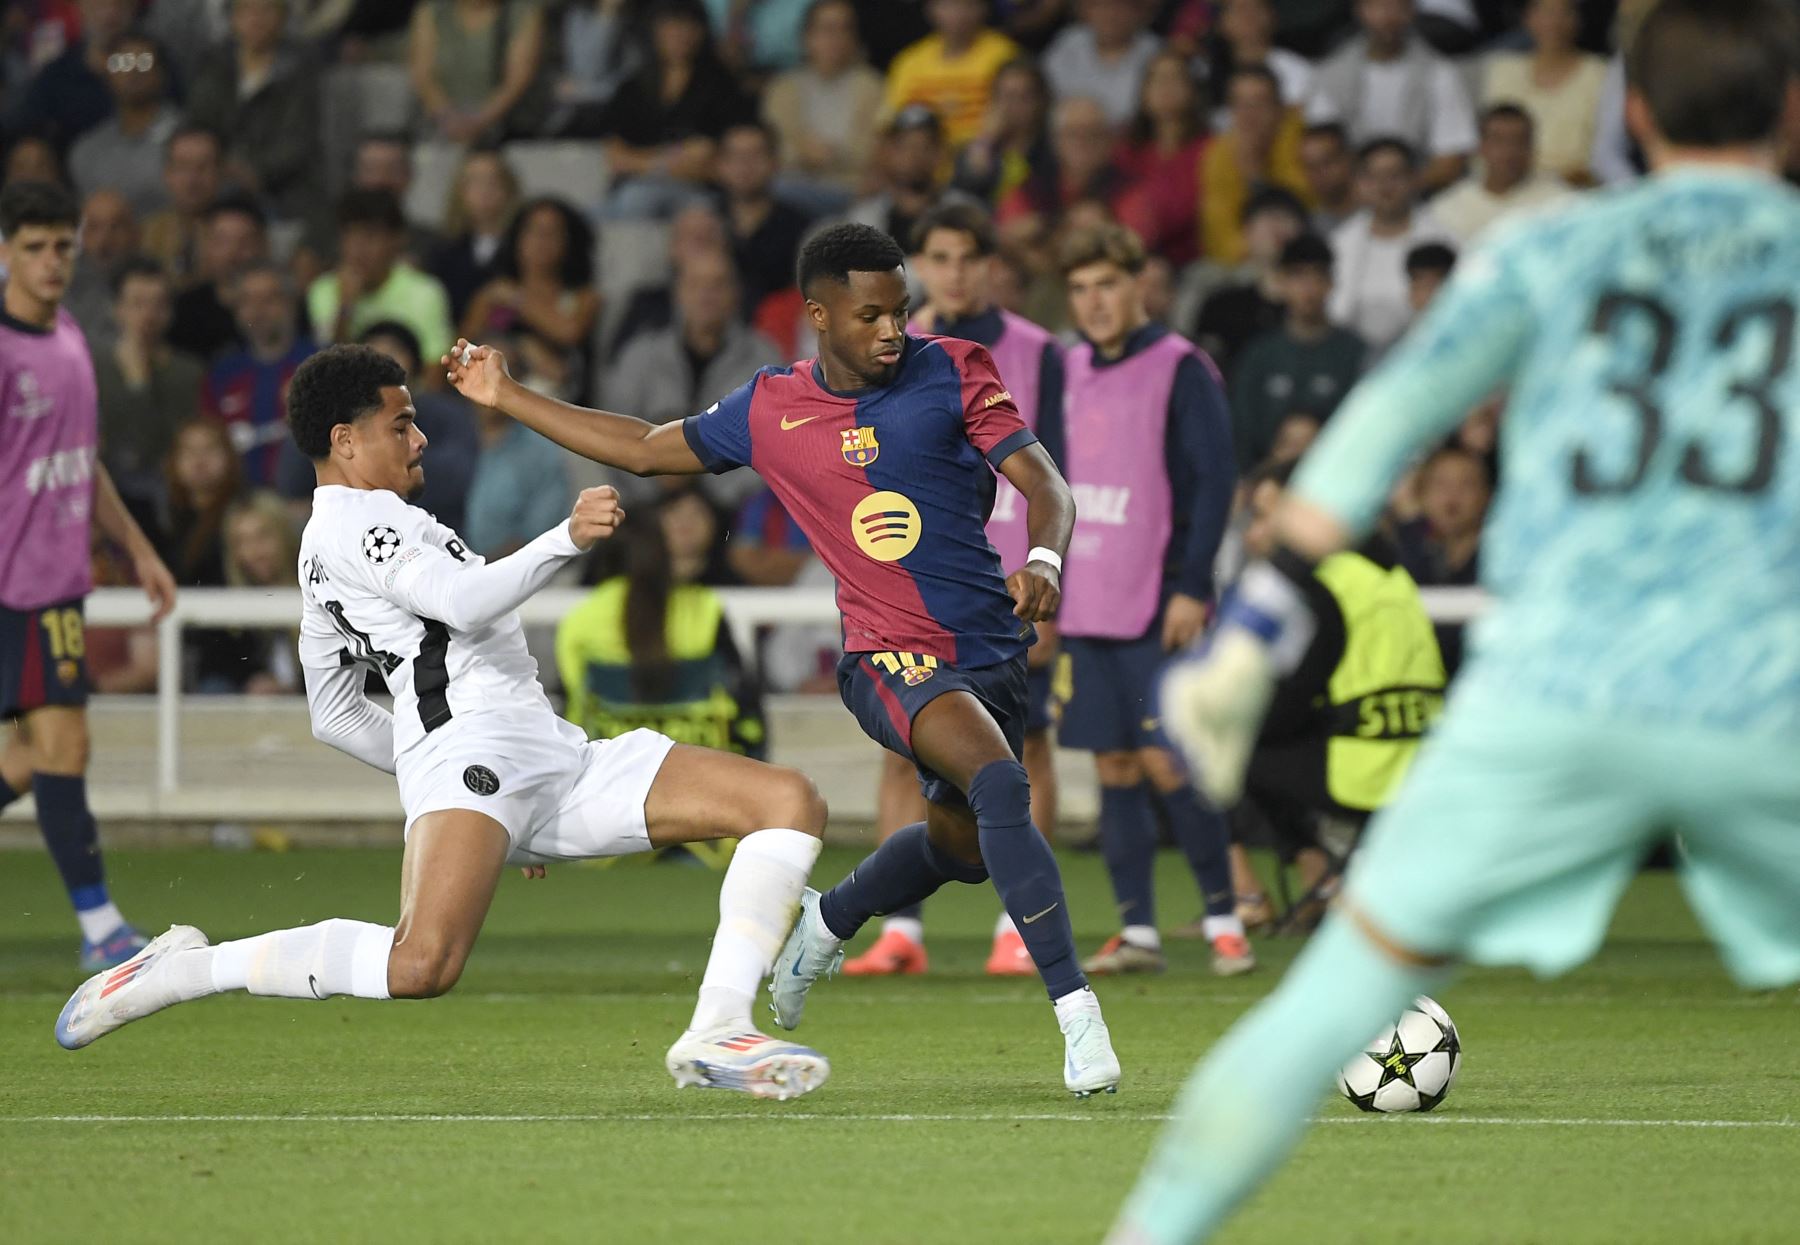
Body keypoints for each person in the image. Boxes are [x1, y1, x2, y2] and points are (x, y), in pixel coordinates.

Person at [1116, 4, 1800, 1239]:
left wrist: (1251, 632)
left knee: (1329, 1002)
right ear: (1793, 113)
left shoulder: (1549, 252)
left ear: (1633, 117)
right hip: (1768, 696)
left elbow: (1383, 423)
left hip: (1554, 693)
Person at [442, 221, 1123, 1097]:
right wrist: (510, 395)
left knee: (962, 845)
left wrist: (1044, 558)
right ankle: (1077, 1014)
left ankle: (828, 917)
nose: (892, 331)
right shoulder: (772, 407)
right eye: (871, 315)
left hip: (992, 650)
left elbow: (1048, 486)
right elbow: (648, 449)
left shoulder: (955, 366)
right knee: (1000, 784)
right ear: (818, 317)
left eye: (901, 311)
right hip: (886, 657)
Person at [56, 345, 836, 1106]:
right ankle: (186, 969)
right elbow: (462, 605)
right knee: (420, 963)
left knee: (786, 800)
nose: (420, 437)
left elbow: (333, 713)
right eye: (401, 424)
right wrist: (564, 537)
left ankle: (718, 1029)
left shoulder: (352, 537)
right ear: (345, 440)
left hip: (541, 754)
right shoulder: (360, 527)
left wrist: (481, 811)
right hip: (476, 751)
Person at [844, 199, 1065, 978]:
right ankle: (900, 929)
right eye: (940, 257)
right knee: (905, 749)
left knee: (1025, 746)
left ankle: (1016, 921)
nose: (956, 272)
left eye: (970, 257)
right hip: (914, 581)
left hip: (1016, 579)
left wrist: (1050, 560)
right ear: (922, 267)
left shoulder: (1038, 351)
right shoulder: (889, 350)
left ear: (990, 265)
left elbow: (1054, 469)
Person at [1050, 223, 1248, 978]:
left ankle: (1226, 918)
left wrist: (1193, 585)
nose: (1093, 302)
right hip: (1090, 598)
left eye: (1105, 284)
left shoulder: (1181, 366)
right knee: (1114, 768)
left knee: (1171, 761)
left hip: (1161, 597)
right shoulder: (1067, 370)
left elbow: (1213, 481)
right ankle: (1139, 931)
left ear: (1139, 284)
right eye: (1078, 289)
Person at [0, 180, 178, 971]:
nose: (50, 262)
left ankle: (102, 925)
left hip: (54, 585)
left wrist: (138, 549)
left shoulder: (70, 335)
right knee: (60, 749)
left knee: (28, 760)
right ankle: (103, 929)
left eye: (61, 247)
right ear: (5, 250)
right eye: (33, 247)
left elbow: (82, 464)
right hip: (12, 589)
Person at [1223, 458, 1446, 931]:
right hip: (1419, 758)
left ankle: (1252, 895)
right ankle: (1323, 875)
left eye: (1265, 516)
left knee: (1211, 746)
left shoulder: (1323, 583)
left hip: (1359, 766)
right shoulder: (1387, 570)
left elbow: (1296, 701)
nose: (1253, 533)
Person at [558, 486, 766, 758]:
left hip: (607, 771)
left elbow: (571, 706)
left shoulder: (582, 617)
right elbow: (745, 712)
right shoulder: (704, 609)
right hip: (701, 774)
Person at [602, 246, 782, 507]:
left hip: (730, 513)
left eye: (718, 284)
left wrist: (711, 498)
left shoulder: (764, 360)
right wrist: (653, 500)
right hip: (643, 511)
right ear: (678, 292)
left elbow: (774, 446)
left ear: (737, 293)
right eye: (695, 284)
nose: (706, 295)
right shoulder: (639, 356)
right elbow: (611, 436)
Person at [596, 0, 750, 219]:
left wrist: (639, 160)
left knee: (638, 201)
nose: (679, 33)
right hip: (633, 187)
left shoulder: (722, 86)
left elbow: (708, 159)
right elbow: (617, 157)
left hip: (700, 192)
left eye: (688, 25)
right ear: (654, 29)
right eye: (670, 25)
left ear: (702, 31)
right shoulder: (631, 88)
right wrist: (674, 155)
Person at [1311, 0, 1477, 194]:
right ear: (1359, 10)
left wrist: (1394, 191)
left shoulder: (1440, 73)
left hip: (1423, 198)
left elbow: (1451, 159)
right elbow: (1321, 153)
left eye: (1398, 7)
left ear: (1412, 12)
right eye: (1377, 6)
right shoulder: (1330, 75)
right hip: (1350, 198)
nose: (1387, 17)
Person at [1230, 234, 1366, 470]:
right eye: (1298, 276)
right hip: (1263, 483)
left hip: (1335, 479)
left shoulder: (1354, 353)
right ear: (1281, 282)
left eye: (1318, 276)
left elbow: (1362, 430)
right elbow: (1241, 433)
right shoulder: (1258, 355)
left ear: (1332, 283)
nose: (1308, 288)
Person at [185, 0, 325, 229]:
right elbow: (200, 122)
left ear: (282, 18)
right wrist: (219, 165)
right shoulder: (214, 62)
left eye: (266, 10)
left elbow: (299, 138)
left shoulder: (302, 66)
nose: (256, 19)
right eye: (246, 10)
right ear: (232, 19)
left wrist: (255, 172)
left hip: (285, 188)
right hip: (219, 176)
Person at [460, 197, 599, 399]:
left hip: (562, 399)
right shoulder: (492, 294)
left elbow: (569, 332)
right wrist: (524, 347)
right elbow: (465, 346)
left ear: (569, 242)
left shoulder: (583, 296)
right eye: (533, 231)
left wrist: (516, 299)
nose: (541, 241)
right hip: (494, 397)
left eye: (552, 233)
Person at [94, 259, 207, 505]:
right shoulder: (94, 368)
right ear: (117, 308)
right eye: (137, 304)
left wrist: (139, 384)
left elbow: (158, 450)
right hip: (106, 490)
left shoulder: (188, 372)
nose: (148, 315)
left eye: (158, 304)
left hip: (167, 491)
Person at [1327, 138, 1452, 354]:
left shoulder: (1445, 240)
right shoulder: (1338, 244)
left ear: (1415, 178)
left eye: (1395, 175)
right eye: (1374, 177)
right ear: (1359, 183)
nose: (1385, 186)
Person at [203, 260, 317, 488]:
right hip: (237, 501)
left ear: (291, 305)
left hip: (308, 500)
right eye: (247, 301)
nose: (258, 310)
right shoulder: (222, 373)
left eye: (269, 299)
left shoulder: (319, 364)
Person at [308, 189, 456, 366]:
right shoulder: (323, 290)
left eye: (370, 236)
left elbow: (435, 373)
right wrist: (345, 308)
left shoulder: (426, 292)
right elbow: (327, 371)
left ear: (396, 240)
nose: (358, 250)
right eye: (350, 236)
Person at [762, 0, 885, 205]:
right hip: (794, 185)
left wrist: (832, 155)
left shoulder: (872, 86)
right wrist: (803, 152)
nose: (836, 38)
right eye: (827, 29)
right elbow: (773, 148)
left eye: (845, 29)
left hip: (852, 191)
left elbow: (877, 149)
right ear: (807, 36)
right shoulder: (783, 88)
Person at [1482, 0, 1608, 186]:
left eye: (1566, 12)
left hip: (1573, 190)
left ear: (1580, 19)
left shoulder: (1601, 74)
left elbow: (1604, 154)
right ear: (1526, 18)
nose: (1554, 22)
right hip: (1507, 186)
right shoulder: (1502, 69)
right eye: (1545, 11)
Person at [1199, 65, 1312, 265]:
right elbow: (1218, 234)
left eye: (1259, 103)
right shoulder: (1220, 154)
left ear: (1280, 108)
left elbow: (1306, 209)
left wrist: (1256, 177)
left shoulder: (1303, 139)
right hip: (1247, 266)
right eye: (1240, 105)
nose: (1249, 115)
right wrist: (1249, 253)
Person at [1189, 187, 1308, 375]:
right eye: (1268, 216)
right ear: (1246, 232)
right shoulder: (1220, 307)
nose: (1277, 226)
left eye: (1286, 216)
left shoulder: (1314, 306)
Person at [66, 30, 180, 219]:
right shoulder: (87, 150)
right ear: (109, 74)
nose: (133, 71)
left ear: (161, 74)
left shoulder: (185, 139)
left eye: (143, 63)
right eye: (122, 63)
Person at [883, 0, 1020, 154]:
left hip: (987, 160)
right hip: (921, 166)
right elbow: (891, 127)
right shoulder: (908, 63)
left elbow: (1017, 119)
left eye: (968, 4)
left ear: (984, 8)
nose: (958, 14)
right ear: (930, 9)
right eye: (949, 4)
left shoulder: (1005, 57)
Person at [1113, 49, 1207, 268]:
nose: (1166, 87)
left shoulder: (1209, 149)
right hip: (1130, 255)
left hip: (1190, 260)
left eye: (1175, 78)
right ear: (1143, 92)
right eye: (1157, 79)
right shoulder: (1126, 149)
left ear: (1192, 90)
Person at [408, 0, 546, 145]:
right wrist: (446, 116)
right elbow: (422, 73)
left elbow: (519, 77)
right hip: (441, 123)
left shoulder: (522, 12)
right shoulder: (432, 11)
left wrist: (479, 121)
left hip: (504, 125)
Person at [1431, 104, 1572, 247]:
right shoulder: (1448, 210)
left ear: (1532, 147)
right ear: (1481, 147)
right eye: (1499, 141)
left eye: (1519, 141)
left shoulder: (1562, 203)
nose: (1510, 151)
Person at [713, 122, 815, 319]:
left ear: (775, 162)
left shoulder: (800, 227)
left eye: (755, 155)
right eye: (735, 156)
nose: (745, 165)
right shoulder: (703, 222)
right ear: (719, 165)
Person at [219, 490, 305, 695]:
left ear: (283, 535)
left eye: (263, 536)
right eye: (242, 541)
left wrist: (293, 689)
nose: (254, 551)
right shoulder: (226, 608)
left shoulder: (322, 588)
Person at [168, 194, 271, 363]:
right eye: (222, 241)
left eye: (244, 242)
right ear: (206, 246)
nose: (233, 253)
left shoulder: (286, 306)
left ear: (263, 245)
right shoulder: (184, 311)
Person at [426, 146, 522, 325]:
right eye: (475, 182)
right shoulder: (442, 251)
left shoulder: (525, 246)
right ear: (460, 192)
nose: (484, 191)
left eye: (493, 181)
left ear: (508, 189)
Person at [950, 57, 1053, 209]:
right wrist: (986, 139)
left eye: (1024, 97)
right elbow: (966, 187)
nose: (1014, 106)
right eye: (1007, 97)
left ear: (1040, 101)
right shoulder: (979, 147)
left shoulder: (1052, 149)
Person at [1041, 0, 1160, 129]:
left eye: (1118, 8)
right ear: (1086, 11)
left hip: (1132, 138)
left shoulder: (1153, 52)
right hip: (1072, 135)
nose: (1110, 15)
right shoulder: (1068, 44)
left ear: (1136, 12)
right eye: (1101, 7)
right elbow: (1045, 93)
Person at [140, 125, 224, 287]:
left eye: (203, 167)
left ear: (220, 172)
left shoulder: (239, 235)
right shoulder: (146, 236)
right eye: (183, 167)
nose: (192, 180)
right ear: (167, 174)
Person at [64, 189, 138, 347]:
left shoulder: (150, 281)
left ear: (134, 232)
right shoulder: (60, 285)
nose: (104, 240)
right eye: (93, 227)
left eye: (116, 227)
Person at [1298, 122, 1358, 235]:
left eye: (1327, 162)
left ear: (1350, 159)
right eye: (1310, 167)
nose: (1319, 173)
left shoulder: (1382, 213)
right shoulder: (1306, 230)